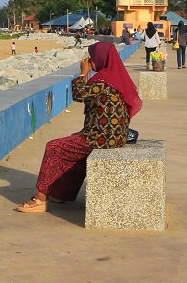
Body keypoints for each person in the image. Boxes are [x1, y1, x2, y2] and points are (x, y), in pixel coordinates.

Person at [16, 43, 142, 213]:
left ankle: (40, 198)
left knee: (54, 147)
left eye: (92, 57)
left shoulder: (103, 81)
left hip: (100, 137)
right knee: (74, 147)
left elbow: (79, 95)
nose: (89, 60)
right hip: (116, 135)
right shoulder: (116, 78)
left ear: (101, 59)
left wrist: (83, 73)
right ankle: (61, 193)